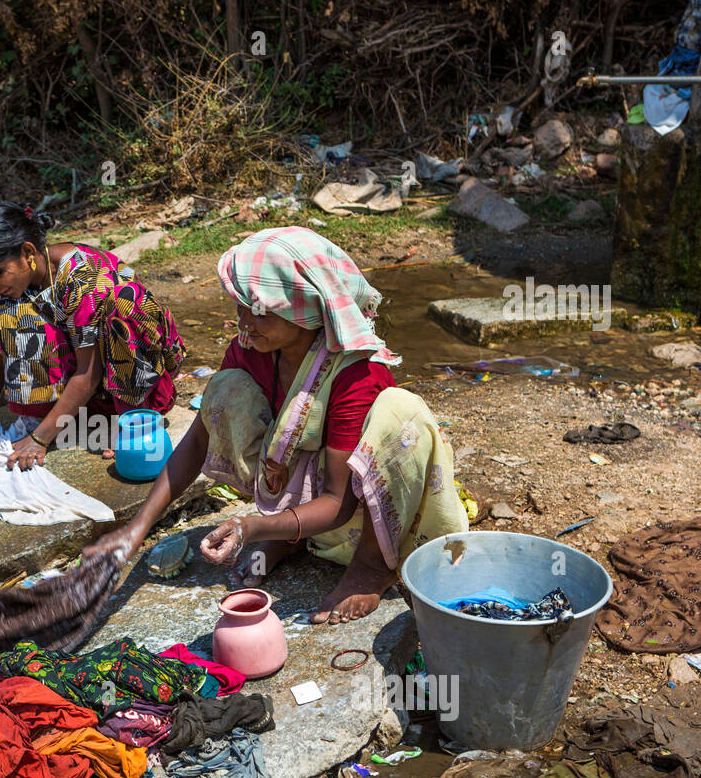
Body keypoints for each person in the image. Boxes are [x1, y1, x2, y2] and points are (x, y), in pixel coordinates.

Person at [84, 226, 468, 624]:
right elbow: (198, 439)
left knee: (400, 413)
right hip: (303, 494)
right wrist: (136, 529)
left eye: (261, 312)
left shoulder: (356, 372)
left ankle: (372, 566)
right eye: (241, 308)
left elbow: (339, 501)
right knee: (225, 388)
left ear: (305, 310)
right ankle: (292, 535)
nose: (245, 323)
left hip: (357, 510)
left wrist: (251, 527)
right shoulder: (252, 349)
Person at [0, 200, 185, 472]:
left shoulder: (82, 279)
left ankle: (131, 421)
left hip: (128, 378)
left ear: (28, 252)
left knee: (124, 306)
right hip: (88, 392)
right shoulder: (7, 291)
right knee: (8, 313)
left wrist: (39, 439)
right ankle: (65, 418)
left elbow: (88, 374)